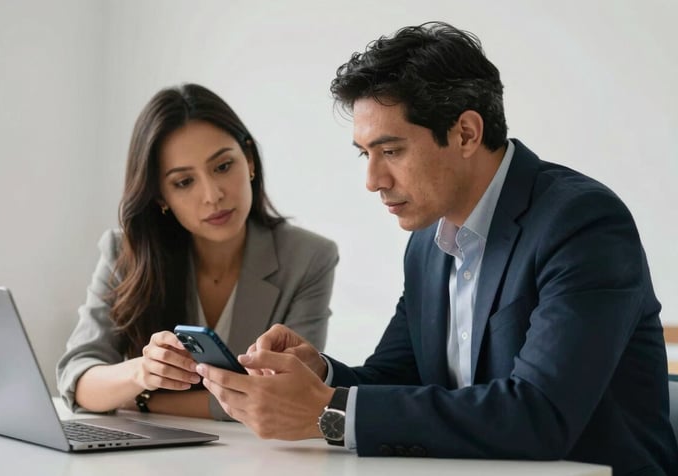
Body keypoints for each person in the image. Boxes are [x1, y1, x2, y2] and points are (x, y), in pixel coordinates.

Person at [196, 22, 678, 474]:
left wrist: (330, 410)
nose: (372, 180)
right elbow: (398, 378)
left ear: (466, 132)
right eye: (365, 155)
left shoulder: (582, 223)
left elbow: (540, 415)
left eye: (391, 151)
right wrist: (319, 373)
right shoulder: (428, 242)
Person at [56, 83, 338, 421]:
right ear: (160, 197)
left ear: (248, 160)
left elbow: (286, 396)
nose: (212, 195)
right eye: (183, 182)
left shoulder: (309, 258)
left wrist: (142, 400)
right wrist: (141, 373)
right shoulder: (124, 251)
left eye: (222, 166)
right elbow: (76, 378)